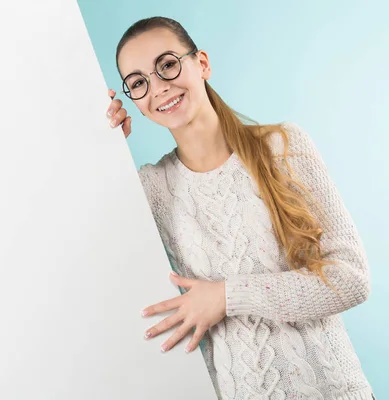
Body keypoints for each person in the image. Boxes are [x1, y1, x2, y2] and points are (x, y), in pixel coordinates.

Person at [106, 16, 375, 399]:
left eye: (167, 64)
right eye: (138, 83)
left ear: (202, 64)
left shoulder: (283, 147)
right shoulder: (152, 188)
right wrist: (104, 148)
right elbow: (82, 245)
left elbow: (351, 278)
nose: (159, 87)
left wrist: (225, 297)